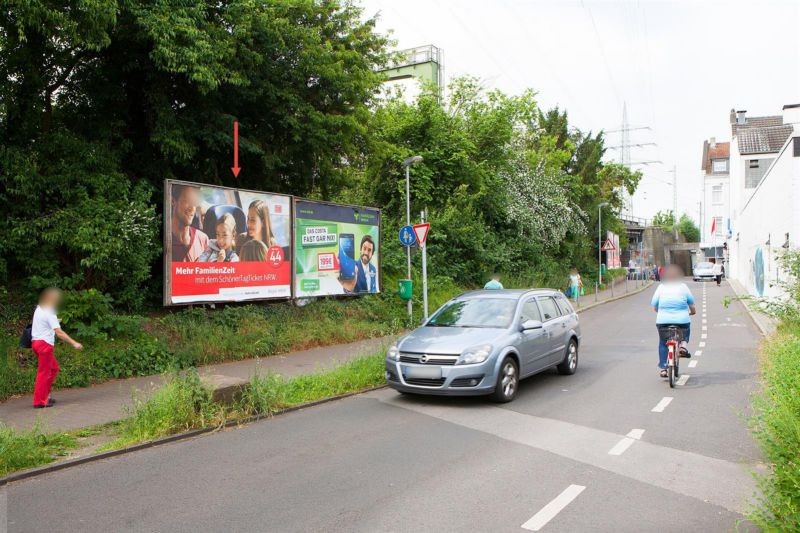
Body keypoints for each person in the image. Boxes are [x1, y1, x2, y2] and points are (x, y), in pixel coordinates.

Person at [30, 288, 83, 408]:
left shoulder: (39, 308)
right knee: (44, 373)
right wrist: (74, 343)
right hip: (45, 345)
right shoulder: (49, 312)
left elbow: (43, 322)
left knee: (53, 369)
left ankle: (45, 396)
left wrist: (55, 321)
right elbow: (59, 333)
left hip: (36, 343)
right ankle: (39, 401)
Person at [651, 264, 696, 378]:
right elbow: (691, 304)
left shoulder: (661, 287)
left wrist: (661, 311)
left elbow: (654, 305)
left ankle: (663, 368)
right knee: (686, 329)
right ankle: (683, 347)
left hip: (663, 320)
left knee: (662, 342)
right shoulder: (683, 287)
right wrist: (692, 312)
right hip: (682, 319)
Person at [171, 184, 209, 262]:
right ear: (173, 201)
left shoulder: (203, 239)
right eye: (187, 201)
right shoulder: (166, 241)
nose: (192, 208)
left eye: (194, 202)